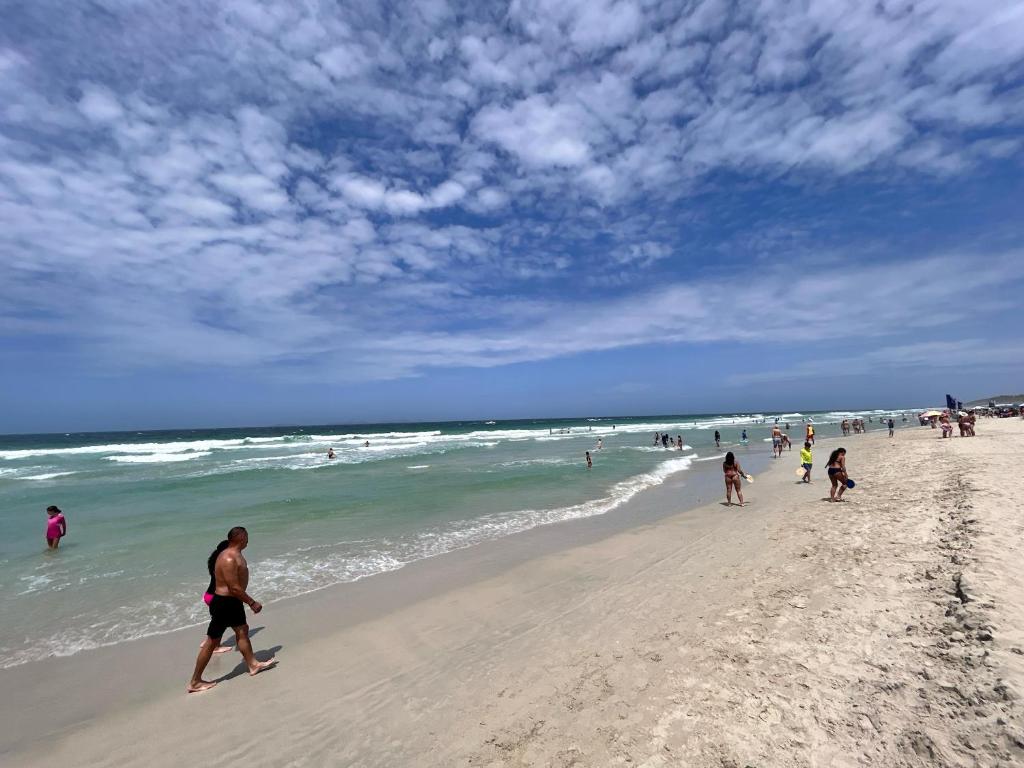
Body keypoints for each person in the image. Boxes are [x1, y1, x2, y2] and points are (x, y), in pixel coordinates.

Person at [187, 526, 276, 693]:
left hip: (232, 603)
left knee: (242, 630)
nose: (249, 540)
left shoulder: (234, 554)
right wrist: (252, 602)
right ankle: (195, 681)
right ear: (241, 538)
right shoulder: (228, 558)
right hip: (224, 603)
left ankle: (253, 664)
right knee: (212, 641)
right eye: (247, 537)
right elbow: (233, 587)